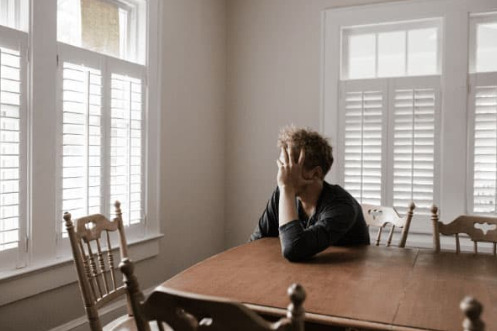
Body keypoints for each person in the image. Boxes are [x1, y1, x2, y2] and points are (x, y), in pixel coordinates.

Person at [250, 126, 370, 261]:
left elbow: (294, 249)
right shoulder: (282, 193)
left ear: (315, 173)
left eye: (289, 167)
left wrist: (286, 188)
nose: (281, 174)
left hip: (347, 276)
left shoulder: (342, 206)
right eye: (281, 166)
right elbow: (256, 242)